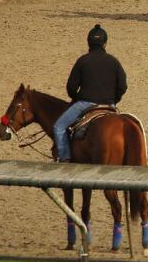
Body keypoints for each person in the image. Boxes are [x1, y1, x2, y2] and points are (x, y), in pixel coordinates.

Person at [52, 25, 127, 163]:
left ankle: (65, 158)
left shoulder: (83, 60)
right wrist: (113, 101)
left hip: (85, 103)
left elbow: (71, 87)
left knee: (59, 127)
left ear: (88, 43)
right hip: (108, 104)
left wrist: (76, 98)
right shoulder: (114, 61)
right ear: (105, 43)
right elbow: (122, 86)